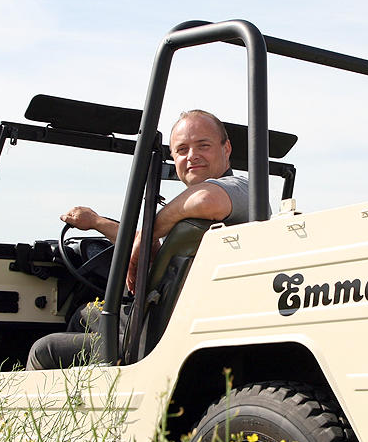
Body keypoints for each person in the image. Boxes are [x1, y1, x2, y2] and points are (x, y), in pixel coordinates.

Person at [26, 109, 249, 370]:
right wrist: (99, 223)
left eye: (203, 145)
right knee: (85, 316)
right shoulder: (191, 215)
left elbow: (204, 199)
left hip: (160, 336)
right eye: (182, 149)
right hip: (160, 318)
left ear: (226, 148)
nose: (192, 156)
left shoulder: (242, 191)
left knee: (44, 350)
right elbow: (156, 244)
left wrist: (146, 235)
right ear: (173, 157)